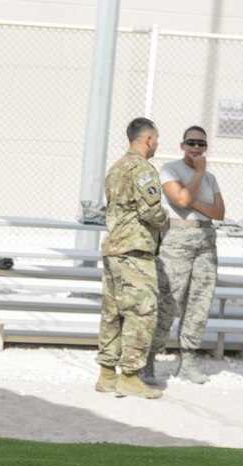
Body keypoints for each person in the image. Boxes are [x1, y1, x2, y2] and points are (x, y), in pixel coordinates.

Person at [95, 117, 169, 399]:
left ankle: (106, 374)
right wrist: (166, 221)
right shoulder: (142, 169)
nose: (157, 144)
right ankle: (130, 376)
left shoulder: (115, 168)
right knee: (141, 312)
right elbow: (151, 211)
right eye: (157, 139)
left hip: (113, 250)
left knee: (112, 312)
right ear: (148, 138)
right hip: (134, 252)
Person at [146, 126, 225, 384]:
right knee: (168, 301)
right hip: (177, 241)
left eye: (201, 144)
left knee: (199, 303)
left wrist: (193, 200)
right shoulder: (170, 169)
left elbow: (219, 213)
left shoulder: (211, 178)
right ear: (182, 145)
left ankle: (188, 362)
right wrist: (198, 175)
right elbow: (179, 200)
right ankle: (149, 361)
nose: (196, 148)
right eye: (191, 142)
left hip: (205, 241)